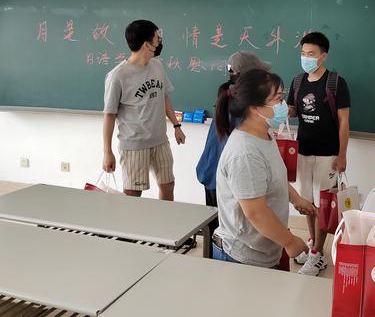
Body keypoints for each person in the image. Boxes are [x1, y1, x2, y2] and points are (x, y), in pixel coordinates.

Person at [212, 68, 316, 268]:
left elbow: (272, 177)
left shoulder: (264, 134)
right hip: (242, 256)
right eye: (278, 99)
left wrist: (296, 199)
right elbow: (256, 212)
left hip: (264, 248)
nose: (284, 106)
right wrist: (290, 242)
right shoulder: (245, 153)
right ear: (254, 108)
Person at [196, 51, 271, 257]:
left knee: (217, 231)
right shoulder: (241, 106)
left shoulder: (230, 95)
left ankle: (212, 262)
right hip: (221, 178)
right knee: (223, 235)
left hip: (212, 173)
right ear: (249, 76)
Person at [287, 31, 351, 276]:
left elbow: (344, 121)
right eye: (303, 53)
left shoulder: (336, 82)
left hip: (328, 154)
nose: (306, 58)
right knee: (307, 202)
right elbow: (293, 111)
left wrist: (342, 154)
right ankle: (313, 243)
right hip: (303, 151)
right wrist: (283, 110)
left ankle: (318, 253)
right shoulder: (297, 81)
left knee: (323, 205)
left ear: (323, 56)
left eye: (311, 54)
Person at [103, 20, 185, 200]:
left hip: (160, 141)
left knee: (168, 185)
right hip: (134, 145)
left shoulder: (157, 66)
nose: (160, 41)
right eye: (157, 38)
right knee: (133, 194)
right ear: (147, 45)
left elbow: (164, 97)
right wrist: (107, 152)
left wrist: (176, 126)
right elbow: (109, 115)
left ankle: (164, 217)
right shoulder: (118, 76)